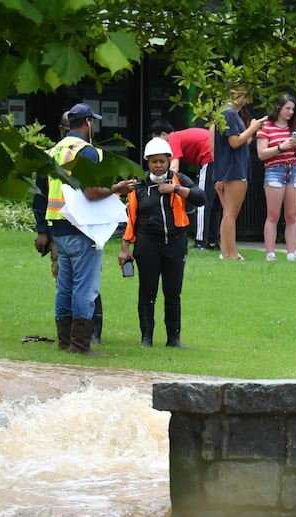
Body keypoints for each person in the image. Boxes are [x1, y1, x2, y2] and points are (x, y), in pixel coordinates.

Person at [32, 103, 132, 354]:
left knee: (64, 286)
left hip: (58, 226)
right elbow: (91, 192)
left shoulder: (52, 151)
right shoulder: (87, 152)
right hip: (82, 227)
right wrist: (118, 189)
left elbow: (43, 191)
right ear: (88, 122)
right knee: (84, 288)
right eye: (93, 122)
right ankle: (80, 344)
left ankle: (65, 341)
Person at [119, 137, 206, 348]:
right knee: (147, 292)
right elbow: (130, 217)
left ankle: (173, 338)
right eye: (153, 162)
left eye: (162, 161)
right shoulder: (138, 184)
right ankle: (146, 338)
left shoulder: (179, 179)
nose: (158, 166)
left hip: (175, 243)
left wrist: (175, 190)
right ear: (147, 163)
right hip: (147, 244)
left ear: (169, 161)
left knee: (172, 292)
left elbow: (201, 197)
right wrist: (124, 249)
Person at [210, 89, 265, 260]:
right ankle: (231, 254)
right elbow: (235, 142)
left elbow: (240, 141)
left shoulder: (223, 113)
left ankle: (226, 252)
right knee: (230, 214)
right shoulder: (230, 113)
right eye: (246, 95)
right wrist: (253, 127)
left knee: (227, 213)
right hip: (234, 170)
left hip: (227, 169)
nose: (247, 101)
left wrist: (251, 131)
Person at [255, 94, 296, 261]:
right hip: (274, 170)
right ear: (278, 108)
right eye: (287, 108)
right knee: (273, 214)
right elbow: (261, 154)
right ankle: (270, 253)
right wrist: (281, 147)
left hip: (295, 170)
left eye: (293, 109)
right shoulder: (266, 127)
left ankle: (291, 253)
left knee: (292, 214)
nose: (290, 112)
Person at [150, 118, 215, 250]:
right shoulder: (182, 135)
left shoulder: (174, 138)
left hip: (208, 159)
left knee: (202, 202)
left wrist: (163, 182)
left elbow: (174, 167)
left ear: (163, 134)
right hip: (218, 159)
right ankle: (213, 240)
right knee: (215, 205)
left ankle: (200, 241)